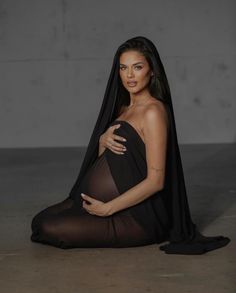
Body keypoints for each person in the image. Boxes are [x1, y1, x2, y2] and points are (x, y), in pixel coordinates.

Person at [30, 36, 230, 254]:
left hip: (136, 217)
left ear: (152, 70)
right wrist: (102, 141)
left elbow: (156, 181)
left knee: (49, 228)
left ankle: (116, 221)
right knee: (39, 221)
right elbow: (107, 162)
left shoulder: (153, 112)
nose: (130, 75)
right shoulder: (123, 108)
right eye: (123, 68)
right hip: (103, 202)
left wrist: (107, 209)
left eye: (137, 67)